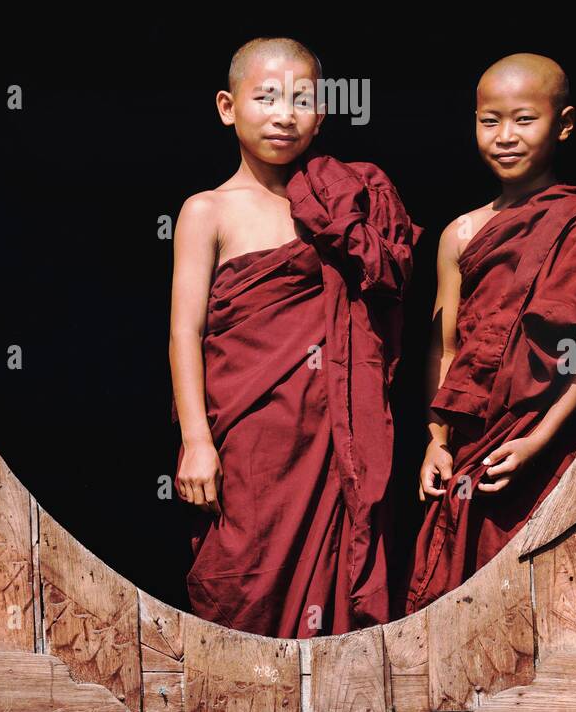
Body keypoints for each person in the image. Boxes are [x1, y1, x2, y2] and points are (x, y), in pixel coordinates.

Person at [170, 36, 420, 638]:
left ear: (322, 114)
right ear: (228, 107)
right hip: (251, 441)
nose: (285, 114)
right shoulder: (208, 211)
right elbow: (186, 331)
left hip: (337, 437)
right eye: (267, 97)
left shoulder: (344, 203)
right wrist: (196, 442)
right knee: (243, 574)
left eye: (302, 100)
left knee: (338, 580)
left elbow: (388, 293)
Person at [404, 52, 576, 615]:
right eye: (490, 121)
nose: (505, 136)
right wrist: (435, 442)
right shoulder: (460, 233)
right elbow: (447, 346)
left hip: (551, 441)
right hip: (469, 446)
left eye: (524, 120)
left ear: (565, 123)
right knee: (457, 592)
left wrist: (539, 440)